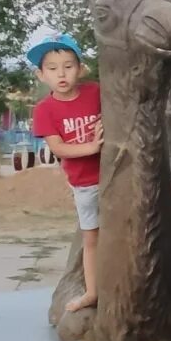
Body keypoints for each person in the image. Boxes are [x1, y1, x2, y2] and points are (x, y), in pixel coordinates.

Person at [29, 34, 103, 314]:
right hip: (85, 183)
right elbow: (59, 148)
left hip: (113, 173)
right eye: (53, 68)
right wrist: (93, 146)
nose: (61, 73)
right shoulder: (44, 110)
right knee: (91, 237)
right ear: (41, 75)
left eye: (68, 66)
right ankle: (92, 292)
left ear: (80, 69)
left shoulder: (96, 92)